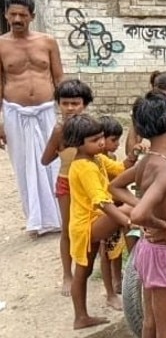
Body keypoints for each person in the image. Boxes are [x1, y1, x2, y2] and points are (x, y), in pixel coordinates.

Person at [109, 92, 166, 338]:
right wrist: (162, 225)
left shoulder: (146, 161)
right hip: (165, 252)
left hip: (148, 250)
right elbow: (141, 213)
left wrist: (143, 206)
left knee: (150, 322)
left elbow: (114, 187)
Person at [0, 0, 64, 236]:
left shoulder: (47, 42)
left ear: (32, 17)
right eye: (13, 14)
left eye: (22, 15)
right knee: (25, 166)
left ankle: (60, 216)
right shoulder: (1, 45)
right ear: (6, 15)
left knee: (55, 162)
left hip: (47, 111)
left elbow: (59, 78)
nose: (17, 19)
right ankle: (36, 221)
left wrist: (66, 114)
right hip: (16, 114)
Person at [63, 114, 133, 329]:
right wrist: (126, 220)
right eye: (94, 140)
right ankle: (80, 317)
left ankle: (81, 317)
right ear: (78, 144)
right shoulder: (84, 167)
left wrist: (134, 156)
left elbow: (121, 169)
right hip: (86, 226)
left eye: (101, 137)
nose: (101, 142)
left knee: (83, 271)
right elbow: (101, 201)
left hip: (93, 222)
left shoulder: (97, 159)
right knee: (81, 272)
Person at [41, 79, 94, 296]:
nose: (70, 108)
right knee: (69, 229)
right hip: (67, 183)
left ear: (85, 104)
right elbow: (45, 160)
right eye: (65, 103)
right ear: (58, 104)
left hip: (90, 183)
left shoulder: (92, 127)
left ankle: (90, 270)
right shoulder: (59, 131)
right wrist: (62, 151)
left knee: (93, 226)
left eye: (75, 103)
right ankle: (67, 275)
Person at [97, 115, 133, 311]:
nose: (117, 144)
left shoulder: (110, 159)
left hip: (116, 210)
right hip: (107, 213)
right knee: (106, 252)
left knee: (117, 249)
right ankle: (110, 292)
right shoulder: (98, 161)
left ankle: (118, 281)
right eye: (114, 140)